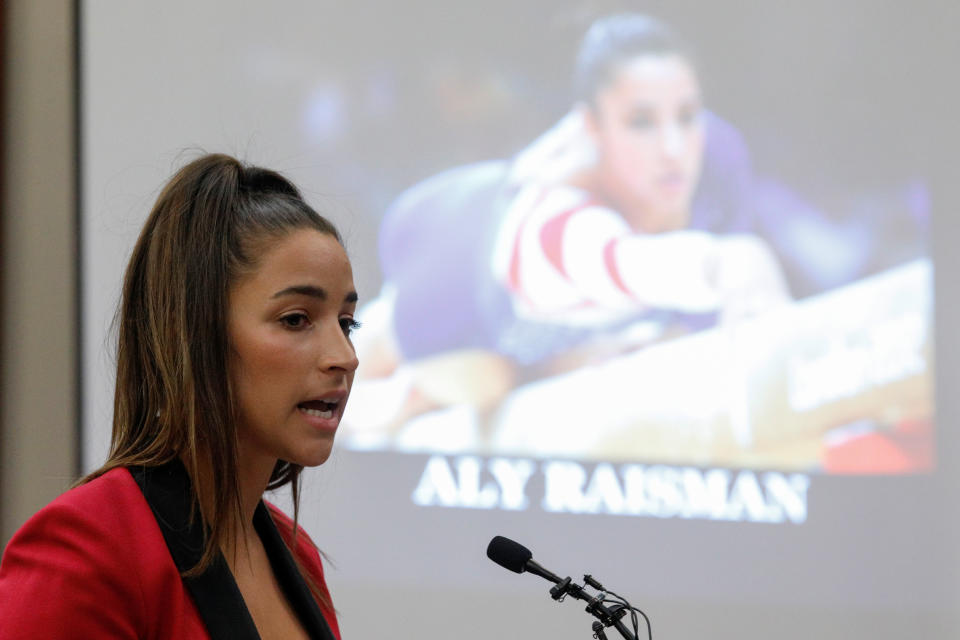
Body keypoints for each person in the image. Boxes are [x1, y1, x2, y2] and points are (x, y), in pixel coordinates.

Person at [0, 154, 359, 639]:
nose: (345, 356)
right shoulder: (87, 551)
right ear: (194, 331)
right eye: (295, 319)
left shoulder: (299, 558)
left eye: (347, 323)